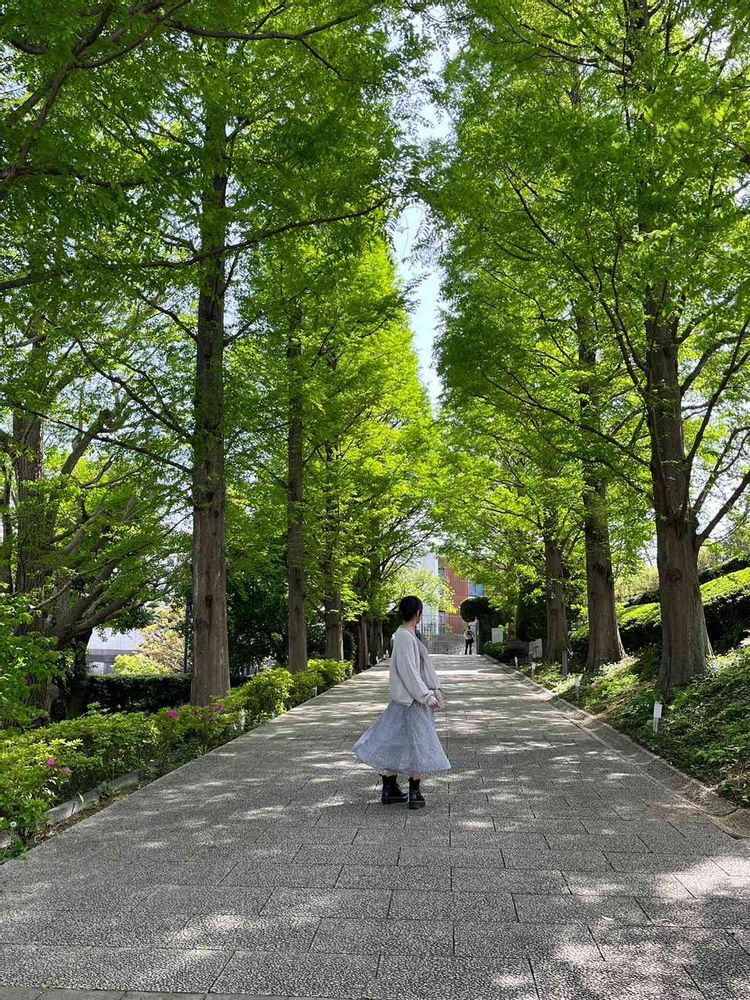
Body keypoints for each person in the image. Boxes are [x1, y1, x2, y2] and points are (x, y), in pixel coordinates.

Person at [353, 595, 451, 809]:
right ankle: (414, 792)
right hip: (412, 702)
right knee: (415, 743)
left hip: (406, 701)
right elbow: (410, 673)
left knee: (396, 740)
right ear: (418, 614)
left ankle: (390, 788)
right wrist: (427, 697)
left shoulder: (406, 635)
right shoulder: (405, 637)